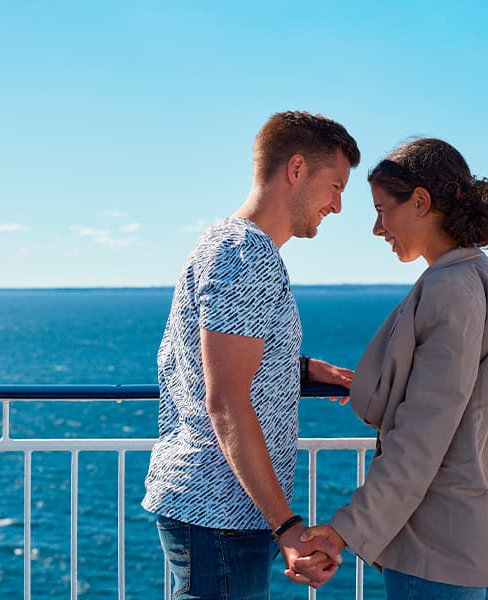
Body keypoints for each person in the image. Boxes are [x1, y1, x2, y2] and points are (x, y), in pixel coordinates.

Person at [300, 138, 488, 599]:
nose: (378, 228)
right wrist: (482, 371)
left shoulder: (448, 288)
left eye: (382, 210)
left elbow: (421, 439)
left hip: (436, 546)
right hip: (481, 538)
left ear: (420, 201)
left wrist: (345, 529)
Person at [142, 111, 360, 598]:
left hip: (216, 509)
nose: (338, 205)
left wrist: (300, 368)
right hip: (217, 511)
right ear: (297, 169)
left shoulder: (230, 243)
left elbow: (209, 359)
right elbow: (225, 402)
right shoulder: (247, 252)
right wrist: (288, 527)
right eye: (336, 185)